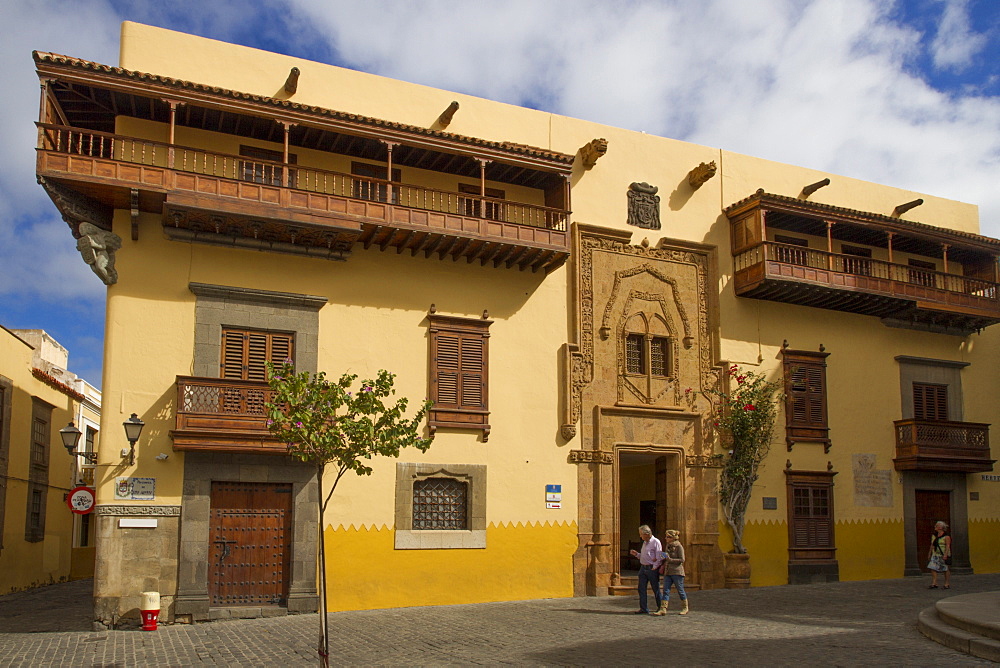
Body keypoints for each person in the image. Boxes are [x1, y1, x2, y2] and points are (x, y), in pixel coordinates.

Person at [653, 529, 688, 615]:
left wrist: (670, 559)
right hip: (668, 572)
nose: (666, 538)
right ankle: (663, 609)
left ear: (673, 538)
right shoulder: (668, 546)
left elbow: (682, 559)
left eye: (668, 537)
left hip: (677, 572)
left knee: (680, 590)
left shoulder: (679, 547)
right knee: (666, 590)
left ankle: (685, 607)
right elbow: (666, 558)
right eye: (666, 537)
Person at [629, 525, 662, 614]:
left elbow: (659, 556)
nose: (640, 536)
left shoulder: (655, 542)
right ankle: (643, 608)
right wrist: (637, 554)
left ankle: (661, 607)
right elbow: (645, 556)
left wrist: (655, 567)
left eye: (641, 534)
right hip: (643, 568)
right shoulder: (645, 542)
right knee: (641, 589)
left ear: (646, 534)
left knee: (656, 589)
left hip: (651, 568)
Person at [927, 520, 952, 589]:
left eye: (936, 526)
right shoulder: (934, 536)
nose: (935, 527)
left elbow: (947, 545)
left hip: (943, 554)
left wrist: (945, 554)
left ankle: (946, 583)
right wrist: (930, 553)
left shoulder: (946, 536)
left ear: (940, 527)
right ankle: (934, 582)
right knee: (932, 567)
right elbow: (932, 545)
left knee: (945, 568)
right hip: (935, 554)